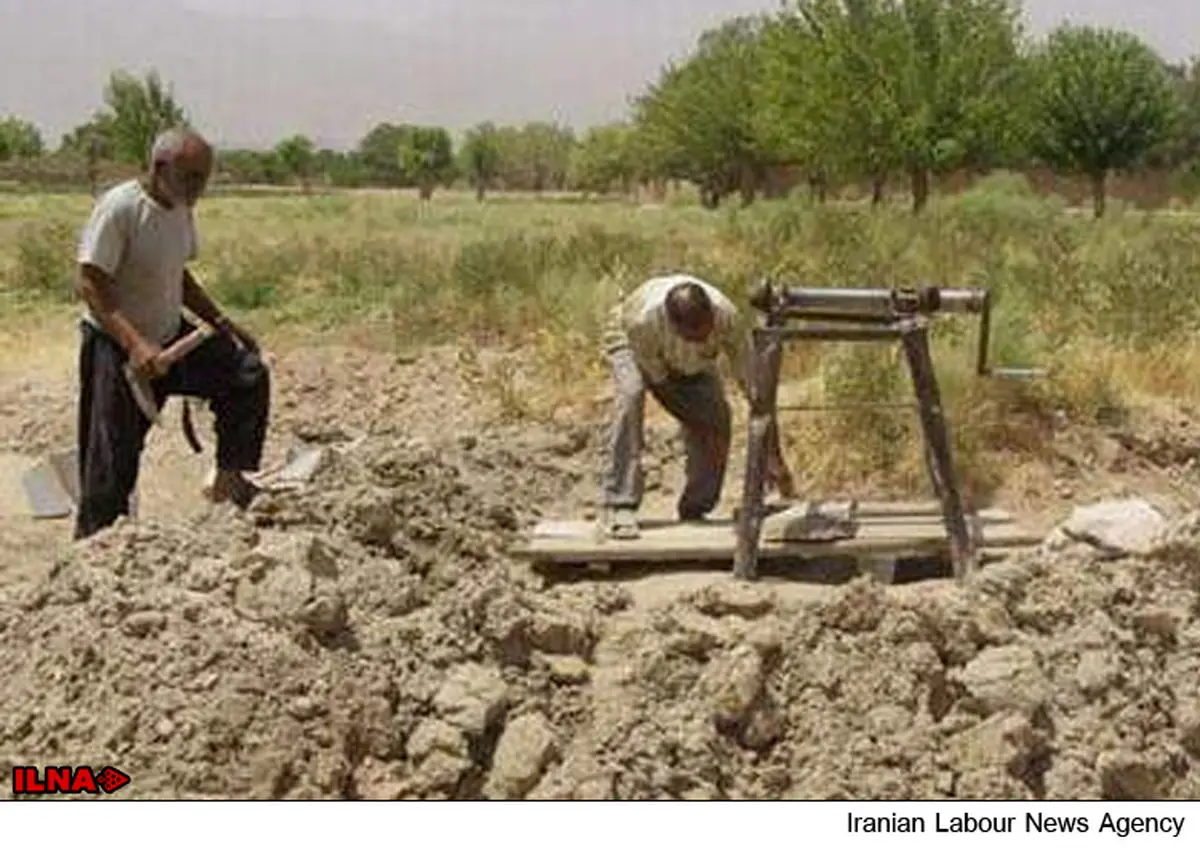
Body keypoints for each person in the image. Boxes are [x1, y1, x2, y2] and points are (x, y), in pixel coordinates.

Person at [72, 127, 271, 541]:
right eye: (191, 177)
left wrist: (222, 323)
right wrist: (134, 343)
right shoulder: (120, 208)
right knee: (111, 461)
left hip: (168, 335)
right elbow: (91, 282)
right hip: (116, 346)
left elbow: (178, 274)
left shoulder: (180, 207)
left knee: (247, 375)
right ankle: (94, 548)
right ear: (160, 168)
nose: (199, 188)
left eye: (204, 178)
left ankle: (229, 478)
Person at [600, 273, 794, 539]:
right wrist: (694, 422)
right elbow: (662, 385)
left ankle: (695, 508)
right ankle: (619, 504)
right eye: (695, 336)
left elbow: (756, 392)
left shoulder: (727, 318)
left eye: (707, 332)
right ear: (674, 326)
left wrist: (774, 457)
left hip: (687, 362)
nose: (703, 340)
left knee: (717, 419)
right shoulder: (642, 323)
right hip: (631, 344)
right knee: (631, 396)